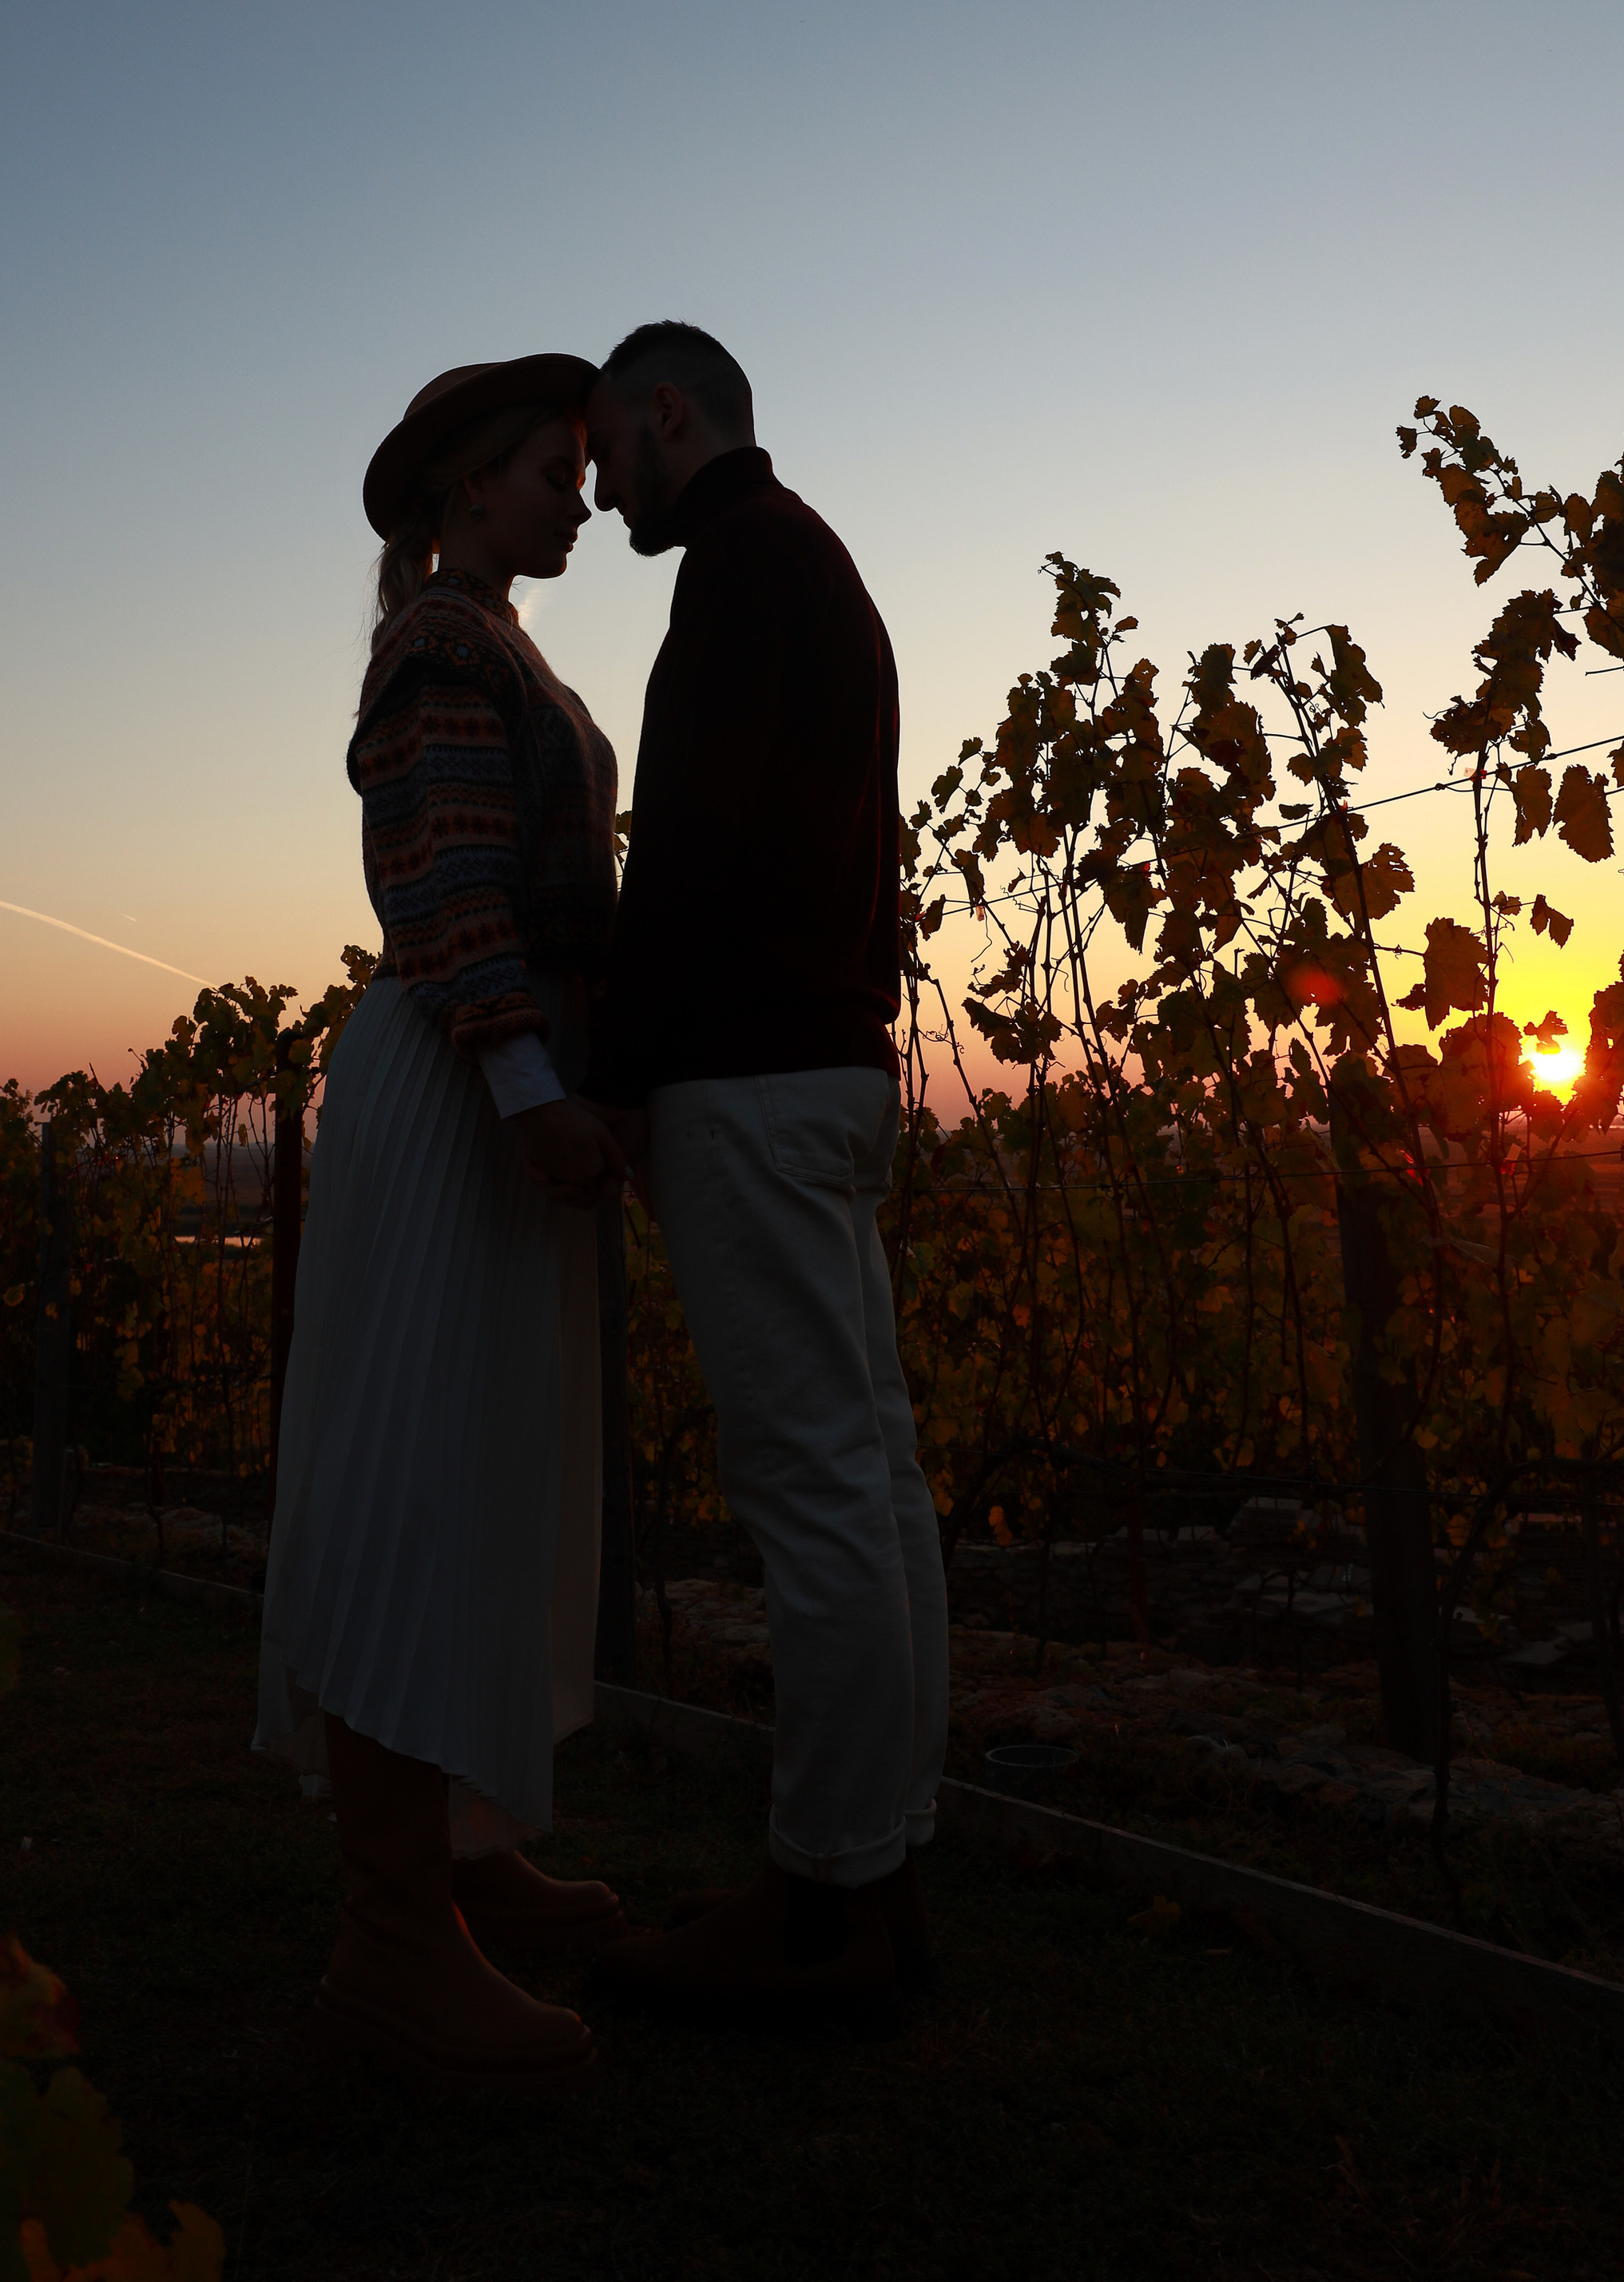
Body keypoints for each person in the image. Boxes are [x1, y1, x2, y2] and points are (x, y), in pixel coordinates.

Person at [256, 356, 631, 2097]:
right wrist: (528, 1088)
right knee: (414, 1482)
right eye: (551, 468)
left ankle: (464, 1857)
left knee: (477, 1472)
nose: (579, 490)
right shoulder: (439, 652)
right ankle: (391, 1943)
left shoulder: (488, 636)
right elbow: (447, 884)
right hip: (456, 1087)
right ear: (469, 486)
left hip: (485, 1080)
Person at [580, 320, 950, 2008]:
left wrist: (622, 1076)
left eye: (604, 446)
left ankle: (824, 1901)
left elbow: (693, 848)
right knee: (866, 1479)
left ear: (671, 415)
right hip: (830, 1069)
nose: (594, 484)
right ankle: (881, 1861)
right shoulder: (815, 569)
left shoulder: (736, 570)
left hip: (748, 1076)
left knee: (813, 1493)